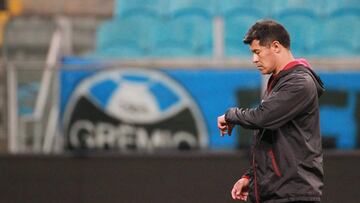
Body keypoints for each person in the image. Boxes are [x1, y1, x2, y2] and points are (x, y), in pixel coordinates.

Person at [217, 19, 325, 203]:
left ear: (275, 46)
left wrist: (231, 115)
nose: (254, 59)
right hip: (277, 192)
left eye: (257, 52)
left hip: (293, 194)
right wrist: (251, 177)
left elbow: (262, 117)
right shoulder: (280, 82)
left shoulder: (299, 82)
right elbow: (270, 139)